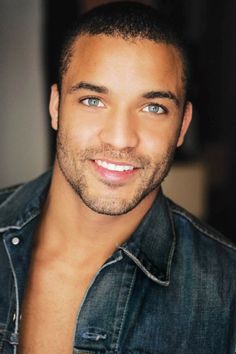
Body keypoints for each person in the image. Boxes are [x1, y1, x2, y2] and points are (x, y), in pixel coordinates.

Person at [0, 2, 235, 353]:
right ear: (55, 107)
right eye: (93, 100)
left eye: (153, 108)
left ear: (183, 125)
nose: (121, 139)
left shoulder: (227, 292)